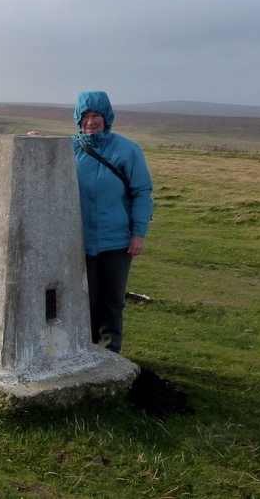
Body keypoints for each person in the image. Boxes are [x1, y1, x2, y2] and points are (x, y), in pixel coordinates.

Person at [73, 91, 153, 353]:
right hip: (79, 241)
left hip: (116, 241)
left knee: (112, 301)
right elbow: (43, 161)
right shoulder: (69, 148)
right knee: (85, 301)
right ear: (78, 119)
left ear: (106, 118)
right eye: (85, 116)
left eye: (96, 115)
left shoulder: (128, 150)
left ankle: (110, 353)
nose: (90, 121)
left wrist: (138, 233)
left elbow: (142, 192)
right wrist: (33, 141)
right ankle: (85, 351)